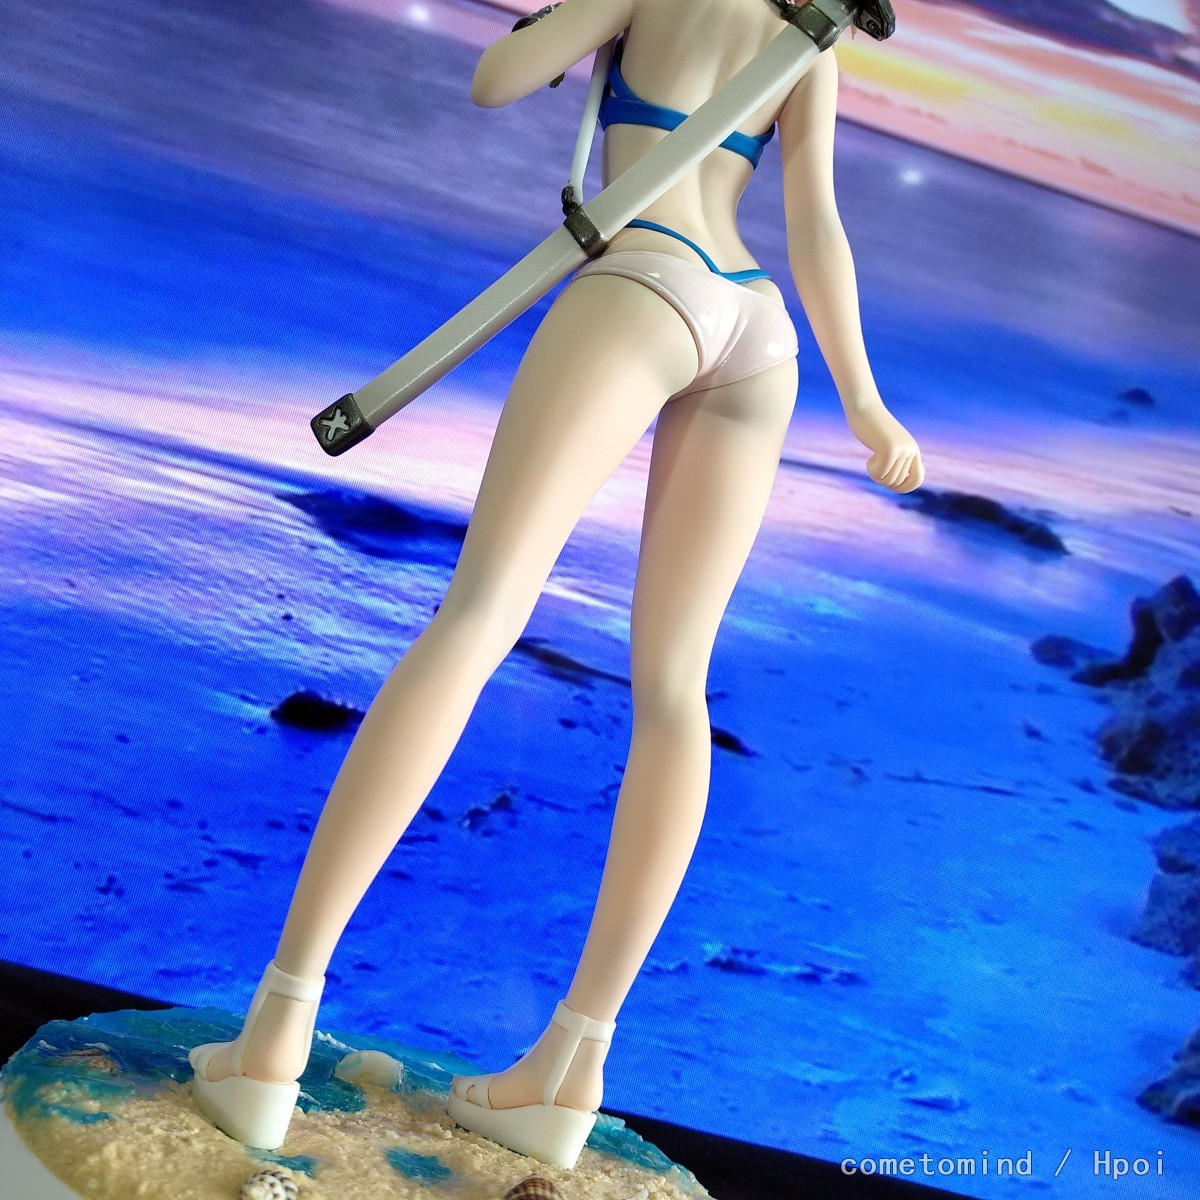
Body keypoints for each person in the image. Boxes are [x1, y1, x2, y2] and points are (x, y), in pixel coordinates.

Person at [188, 0, 923, 1171]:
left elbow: (497, 78)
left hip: (643, 283)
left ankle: (276, 1030)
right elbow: (816, 223)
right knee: (674, 690)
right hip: (756, 328)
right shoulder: (805, 27)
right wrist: (868, 402)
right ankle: (568, 1071)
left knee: (479, 616)